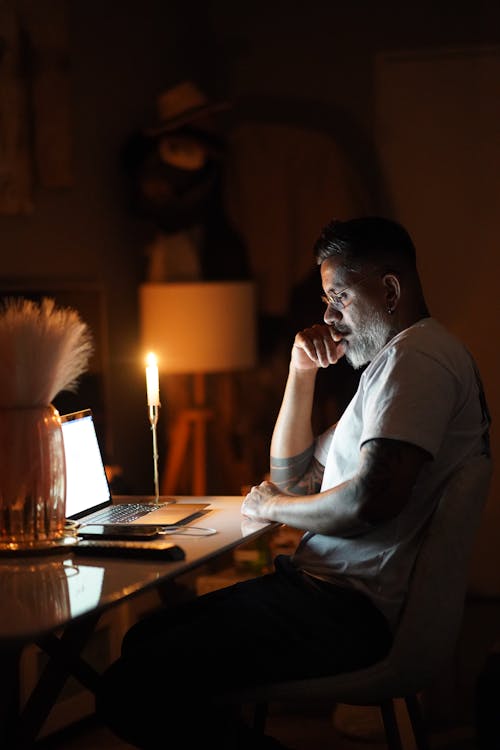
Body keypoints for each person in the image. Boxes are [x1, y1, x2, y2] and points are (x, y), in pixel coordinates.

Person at [95, 216, 490, 749]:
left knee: (131, 687)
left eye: (339, 297)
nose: (329, 316)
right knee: (144, 642)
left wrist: (276, 507)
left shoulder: (417, 360)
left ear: (390, 290)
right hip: (326, 597)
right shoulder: (389, 367)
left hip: (346, 612)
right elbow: (294, 475)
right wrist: (299, 372)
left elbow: (371, 499)